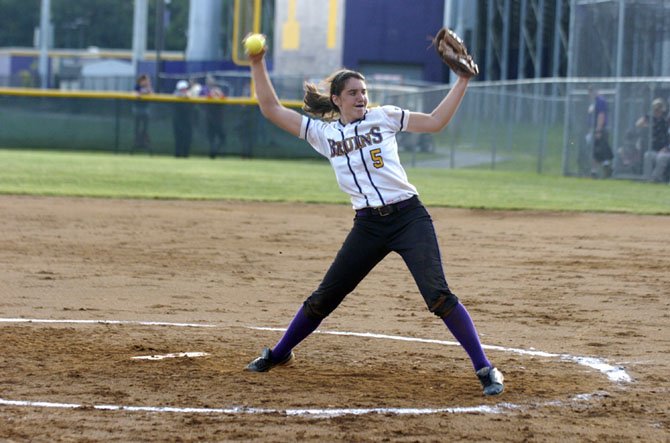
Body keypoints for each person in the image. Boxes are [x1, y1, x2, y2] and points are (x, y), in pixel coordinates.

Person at [243, 39, 504, 396]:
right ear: (336, 99)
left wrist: (462, 80)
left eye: (364, 91)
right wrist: (257, 62)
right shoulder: (324, 134)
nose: (361, 97)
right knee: (324, 298)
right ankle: (279, 352)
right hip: (368, 225)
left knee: (438, 296)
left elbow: (436, 122)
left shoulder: (385, 117)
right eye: (353, 93)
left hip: (409, 217)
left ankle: (485, 368)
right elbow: (271, 108)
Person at [639, 98, 670, 183]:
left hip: (666, 149)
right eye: (656, 107)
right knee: (648, 155)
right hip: (655, 149)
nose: (657, 109)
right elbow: (639, 124)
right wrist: (646, 124)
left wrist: (666, 148)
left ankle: (655, 179)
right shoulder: (650, 117)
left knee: (661, 158)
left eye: (659, 107)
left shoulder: (665, 118)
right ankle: (647, 177)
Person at [585, 86, 613, 178]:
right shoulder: (593, 102)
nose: (590, 94)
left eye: (591, 91)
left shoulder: (600, 100)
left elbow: (601, 115)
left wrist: (598, 130)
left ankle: (605, 165)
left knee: (599, 149)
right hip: (594, 129)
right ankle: (596, 170)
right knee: (594, 149)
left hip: (599, 129)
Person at [200, 74, 226, 159]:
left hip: (218, 118)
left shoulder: (218, 90)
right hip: (209, 118)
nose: (210, 81)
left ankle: (215, 152)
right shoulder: (205, 90)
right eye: (208, 80)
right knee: (211, 137)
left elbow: (223, 98)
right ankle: (212, 153)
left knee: (222, 137)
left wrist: (217, 93)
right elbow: (201, 98)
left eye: (211, 80)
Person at [132, 73, 153, 153]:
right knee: (137, 128)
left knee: (145, 128)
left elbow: (151, 93)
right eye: (144, 80)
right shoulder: (137, 86)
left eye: (146, 80)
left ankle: (144, 141)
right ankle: (137, 141)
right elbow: (134, 93)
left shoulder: (148, 87)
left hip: (145, 111)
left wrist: (147, 88)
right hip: (137, 110)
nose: (145, 82)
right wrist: (140, 93)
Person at [172, 80, 193, 158]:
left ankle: (186, 154)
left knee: (187, 137)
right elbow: (177, 95)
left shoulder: (190, 94)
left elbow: (189, 95)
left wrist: (187, 95)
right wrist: (183, 95)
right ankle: (178, 154)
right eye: (182, 89)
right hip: (177, 119)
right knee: (178, 137)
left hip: (187, 120)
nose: (183, 90)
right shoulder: (176, 94)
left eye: (185, 88)